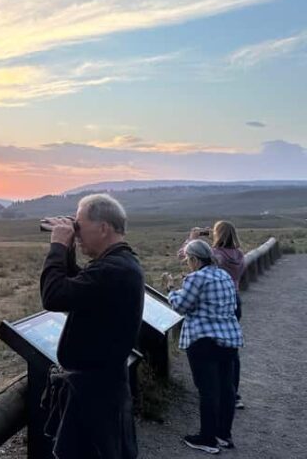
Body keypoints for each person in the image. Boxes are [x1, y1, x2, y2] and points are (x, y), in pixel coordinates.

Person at [39, 193, 145, 459]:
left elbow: (54, 296)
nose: (76, 234)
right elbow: (80, 288)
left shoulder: (113, 269)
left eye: (79, 226)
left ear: (103, 228)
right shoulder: (120, 264)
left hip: (95, 397)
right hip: (100, 388)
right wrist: (70, 248)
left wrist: (58, 247)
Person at [164, 239, 243, 454]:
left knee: (208, 390)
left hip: (203, 341)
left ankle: (207, 438)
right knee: (227, 389)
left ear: (195, 259)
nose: (188, 264)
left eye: (188, 260)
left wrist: (171, 289)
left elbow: (181, 306)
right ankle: (223, 435)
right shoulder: (224, 275)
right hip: (229, 338)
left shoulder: (195, 278)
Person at [179, 221, 245, 409]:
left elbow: (187, 255)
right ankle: (233, 392)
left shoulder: (217, 256)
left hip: (211, 302)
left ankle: (215, 394)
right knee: (230, 352)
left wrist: (192, 239)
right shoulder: (239, 254)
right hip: (233, 299)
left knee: (211, 353)